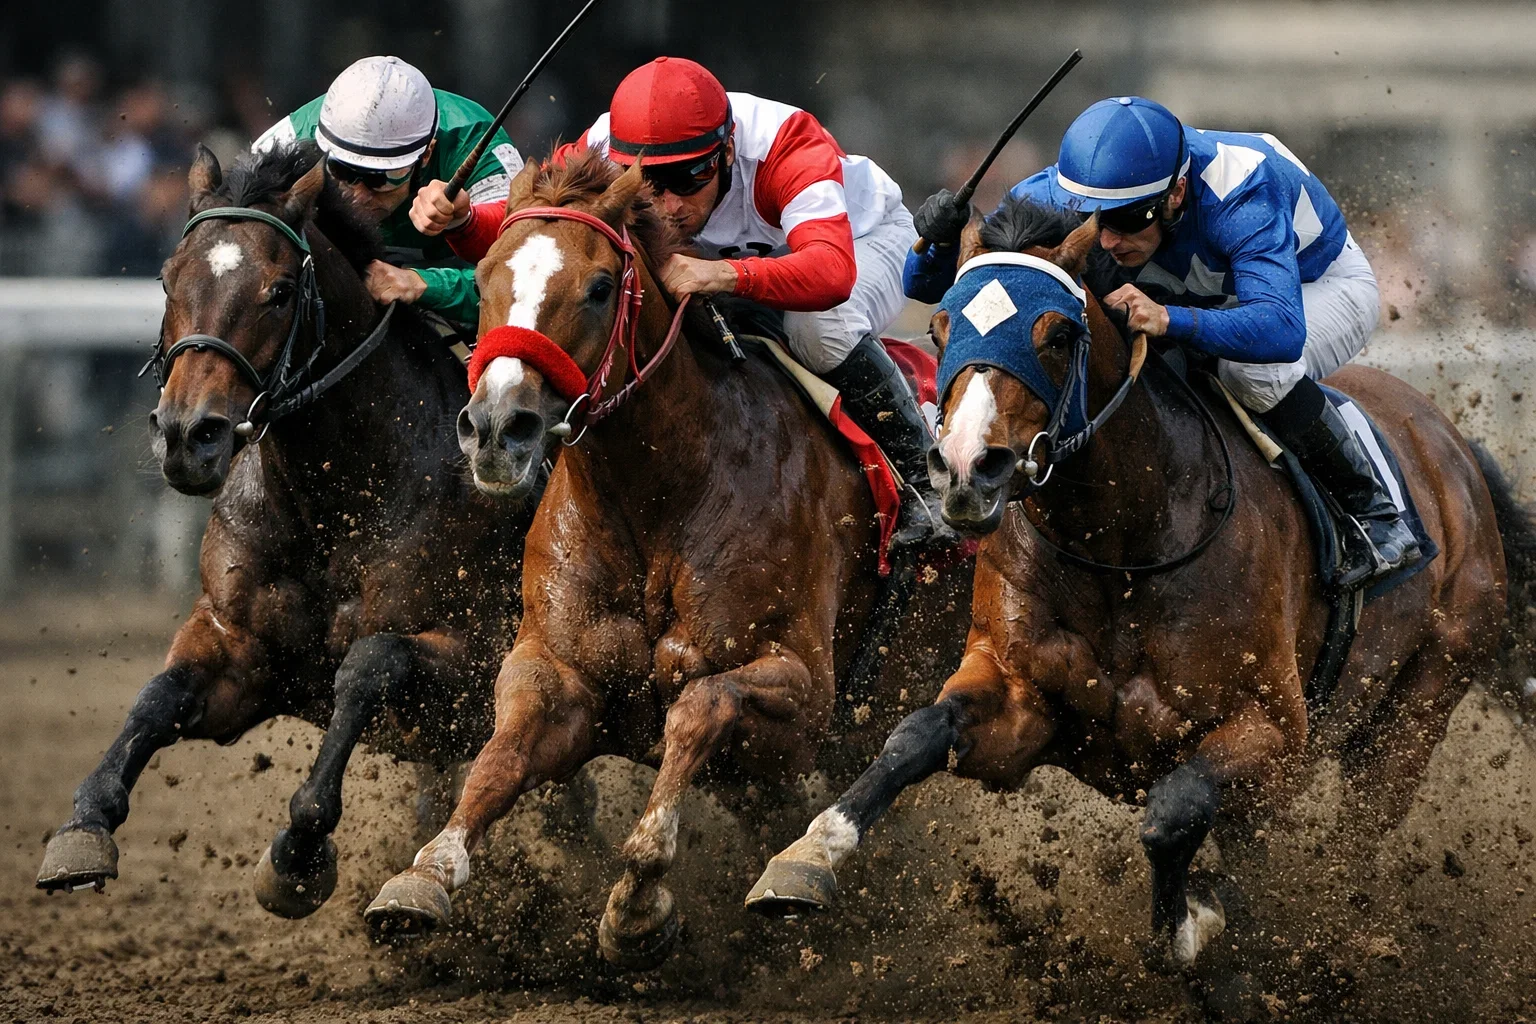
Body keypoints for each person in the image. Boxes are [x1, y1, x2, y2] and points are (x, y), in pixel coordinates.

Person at [412, 56, 949, 551]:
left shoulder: (786, 145)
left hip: (858, 243)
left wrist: (724, 273)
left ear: (728, 151)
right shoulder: (596, 148)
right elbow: (547, 249)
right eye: (647, 183)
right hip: (725, 258)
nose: (667, 205)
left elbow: (830, 274)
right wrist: (462, 222)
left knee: (818, 330)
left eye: (688, 179)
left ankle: (922, 479)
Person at [906, 96, 1417, 581]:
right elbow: (931, 289)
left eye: (1129, 220)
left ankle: (1372, 510)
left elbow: (1279, 330)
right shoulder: (1054, 194)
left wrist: (1172, 320)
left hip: (1311, 287)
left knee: (1250, 370)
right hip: (1196, 292)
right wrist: (937, 244)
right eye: (1092, 218)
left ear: (1175, 193)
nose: (1107, 239)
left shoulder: (1241, 189)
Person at [254, 55, 523, 327]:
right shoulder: (288, 142)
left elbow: (524, 284)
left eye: (379, 177)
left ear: (427, 153)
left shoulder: (476, 143)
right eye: (342, 171)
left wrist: (422, 284)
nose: (357, 194)